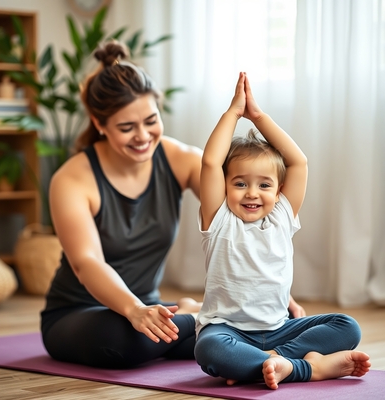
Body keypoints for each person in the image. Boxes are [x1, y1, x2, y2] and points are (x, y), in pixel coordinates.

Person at [40, 41, 305, 369]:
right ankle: (195, 317)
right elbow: (86, 262)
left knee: (231, 328)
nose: (143, 136)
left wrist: (263, 290)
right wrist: (134, 310)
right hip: (83, 314)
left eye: (151, 120)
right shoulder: (72, 179)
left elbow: (245, 207)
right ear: (99, 123)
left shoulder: (179, 159)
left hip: (152, 311)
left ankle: (201, 324)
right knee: (124, 341)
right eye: (127, 127)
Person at [194, 72, 371, 389]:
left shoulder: (281, 216)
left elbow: (298, 162)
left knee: (347, 326)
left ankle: (270, 362)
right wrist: (233, 113)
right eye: (240, 183)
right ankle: (307, 368)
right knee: (208, 348)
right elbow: (209, 162)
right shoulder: (218, 218)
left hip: (278, 328)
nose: (251, 193)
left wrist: (258, 116)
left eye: (264, 185)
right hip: (229, 329)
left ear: (279, 192)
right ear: (224, 187)